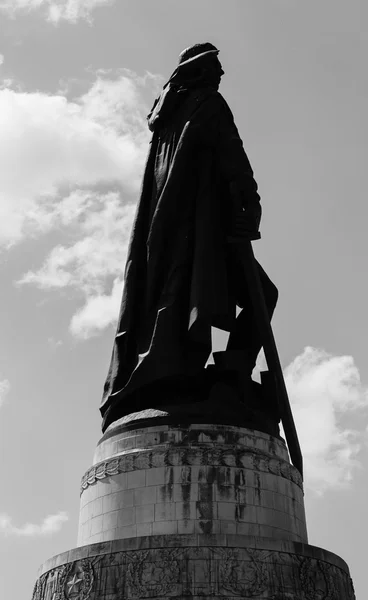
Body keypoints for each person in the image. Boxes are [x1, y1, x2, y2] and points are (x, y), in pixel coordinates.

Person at [101, 43, 278, 431]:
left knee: (182, 300)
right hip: (207, 231)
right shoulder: (208, 105)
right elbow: (235, 160)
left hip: (170, 231)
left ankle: (217, 375)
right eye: (214, 68)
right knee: (263, 297)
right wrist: (249, 207)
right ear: (199, 72)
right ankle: (230, 376)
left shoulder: (166, 118)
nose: (220, 75)